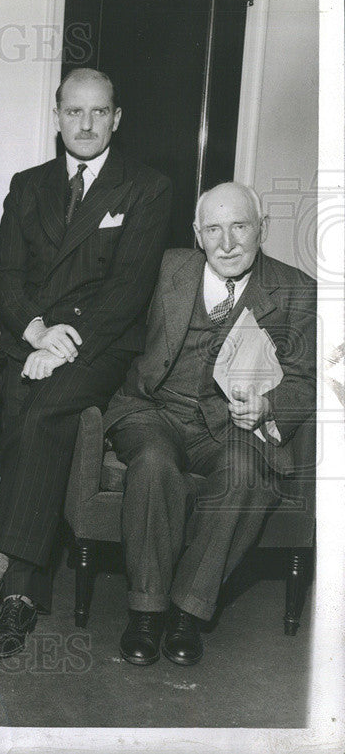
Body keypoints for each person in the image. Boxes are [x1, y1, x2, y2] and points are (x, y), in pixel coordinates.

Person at [0, 68, 172, 658]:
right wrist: (38, 332)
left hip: (101, 347)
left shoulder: (146, 188)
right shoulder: (29, 184)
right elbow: (7, 277)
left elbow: (128, 292)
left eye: (99, 112)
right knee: (11, 399)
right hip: (32, 336)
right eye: (75, 111)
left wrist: (67, 346)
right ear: (57, 116)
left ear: (116, 118)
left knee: (44, 411)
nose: (86, 123)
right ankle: (27, 589)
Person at [104, 182, 316, 666]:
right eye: (214, 230)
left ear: (262, 229)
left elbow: (304, 379)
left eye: (240, 227)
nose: (227, 243)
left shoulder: (296, 290)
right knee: (154, 464)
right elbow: (111, 322)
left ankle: (187, 611)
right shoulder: (163, 270)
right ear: (196, 234)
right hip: (154, 410)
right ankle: (146, 611)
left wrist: (268, 406)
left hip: (230, 427)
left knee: (247, 475)